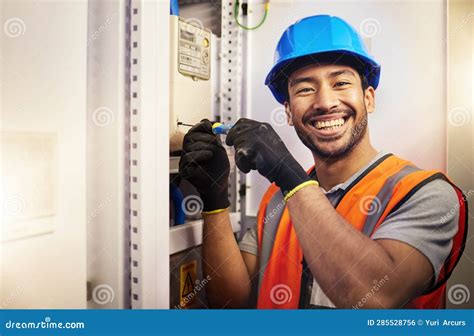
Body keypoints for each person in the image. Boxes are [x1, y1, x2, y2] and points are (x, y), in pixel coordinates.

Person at [179, 15, 468, 309]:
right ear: (289, 111)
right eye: (305, 88)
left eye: (341, 83)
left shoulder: (427, 194)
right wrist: (214, 200)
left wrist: (289, 175)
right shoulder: (278, 200)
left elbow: (377, 297)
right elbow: (231, 303)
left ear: (369, 99)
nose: (325, 102)